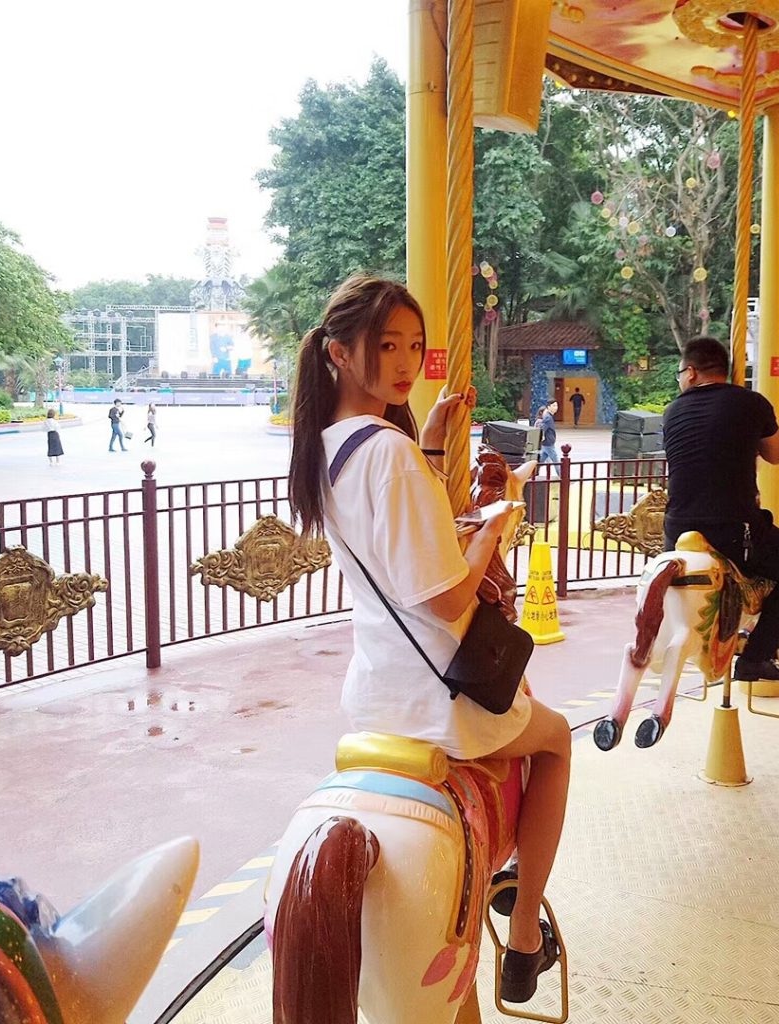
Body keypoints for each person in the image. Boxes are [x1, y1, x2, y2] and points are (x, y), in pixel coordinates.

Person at [287, 275, 570, 1002]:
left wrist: (437, 453)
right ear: (341, 353)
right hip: (443, 697)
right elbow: (446, 599)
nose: (406, 362)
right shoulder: (388, 451)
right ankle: (529, 927)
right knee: (559, 738)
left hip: (375, 693)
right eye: (387, 346)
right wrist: (500, 520)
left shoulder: (328, 449)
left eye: (414, 346)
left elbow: (402, 545)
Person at [662, 337, 779, 683]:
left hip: (675, 530)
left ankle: (749, 634)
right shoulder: (751, 403)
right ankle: (755, 657)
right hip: (731, 530)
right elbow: (778, 454)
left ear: (690, 372)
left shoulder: (672, 411)